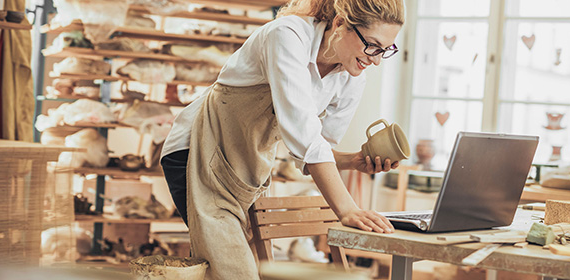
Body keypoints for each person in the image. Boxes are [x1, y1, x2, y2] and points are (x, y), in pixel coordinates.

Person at [160, 0, 404, 278]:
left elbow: (315, 151)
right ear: (339, 24)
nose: (375, 59)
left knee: (254, 268)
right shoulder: (287, 35)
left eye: (385, 50)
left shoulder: (351, 76)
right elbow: (307, 141)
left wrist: (354, 161)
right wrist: (347, 209)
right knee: (231, 269)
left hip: (246, 170)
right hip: (195, 153)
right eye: (371, 45)